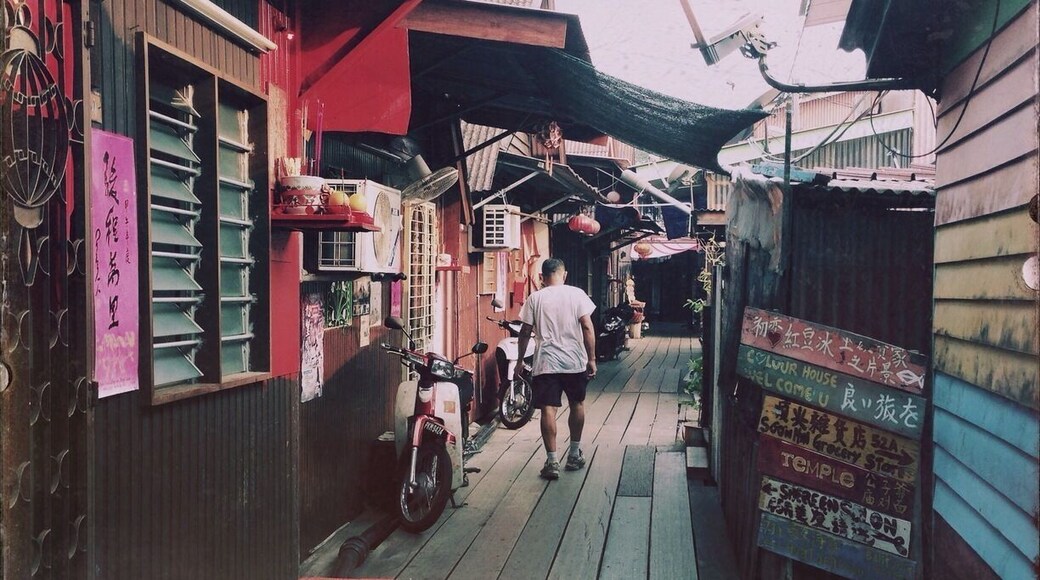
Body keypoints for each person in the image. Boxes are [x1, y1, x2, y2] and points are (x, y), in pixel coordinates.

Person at [516, 258, 597, 480]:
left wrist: (519, 360)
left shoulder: (535, 298)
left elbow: (524, 332)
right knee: (577, 404)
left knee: (548, 409)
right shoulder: (577, 294)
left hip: (546, 362)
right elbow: (587, 326)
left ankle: (552, 462)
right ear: (564, 274)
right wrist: (592, 359)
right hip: (574, 361)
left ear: (542, 277)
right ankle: (573, 454)